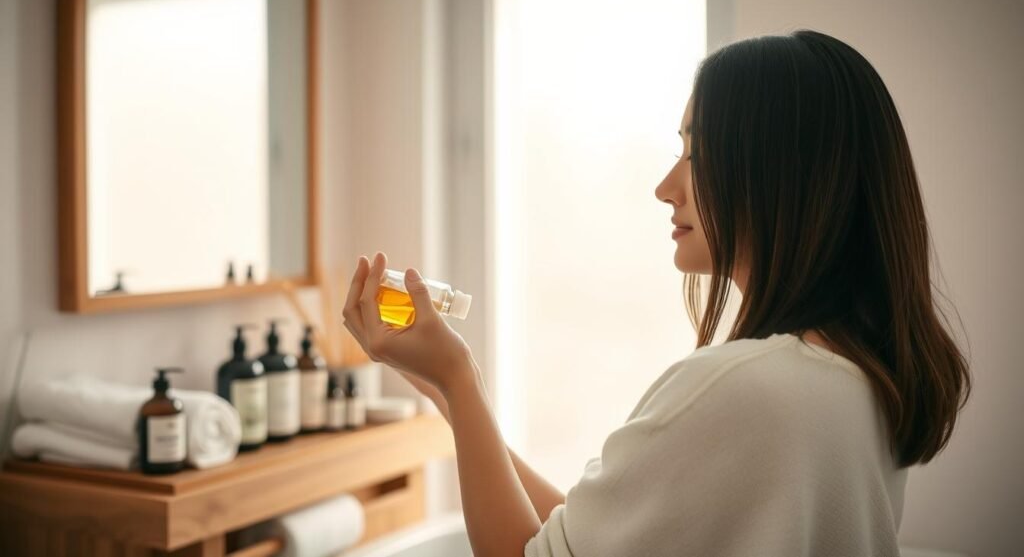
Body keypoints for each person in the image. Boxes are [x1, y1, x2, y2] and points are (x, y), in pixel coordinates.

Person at [342, 30, 972, 557]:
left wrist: (455, 378)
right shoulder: (859, 373)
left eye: (696, 154)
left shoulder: (745, 389)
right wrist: (453, 390)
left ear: (775, 175)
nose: (666, 186)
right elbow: (581, 537)